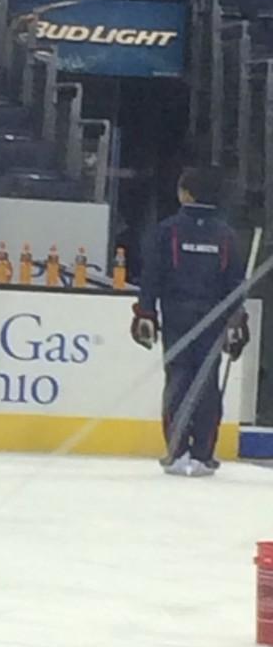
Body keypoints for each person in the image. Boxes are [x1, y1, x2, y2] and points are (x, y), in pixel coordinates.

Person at [130, 167, 249, 477]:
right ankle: (203, 455)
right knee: (207, 385)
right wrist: (239, 320)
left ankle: (177, 451)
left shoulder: (167, 230)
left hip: (177, 318)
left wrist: (145, 313)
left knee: (179, 382)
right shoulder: (226, 235)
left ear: (186, 193)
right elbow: (235, 283)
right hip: (214, 318)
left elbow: (153, 276)